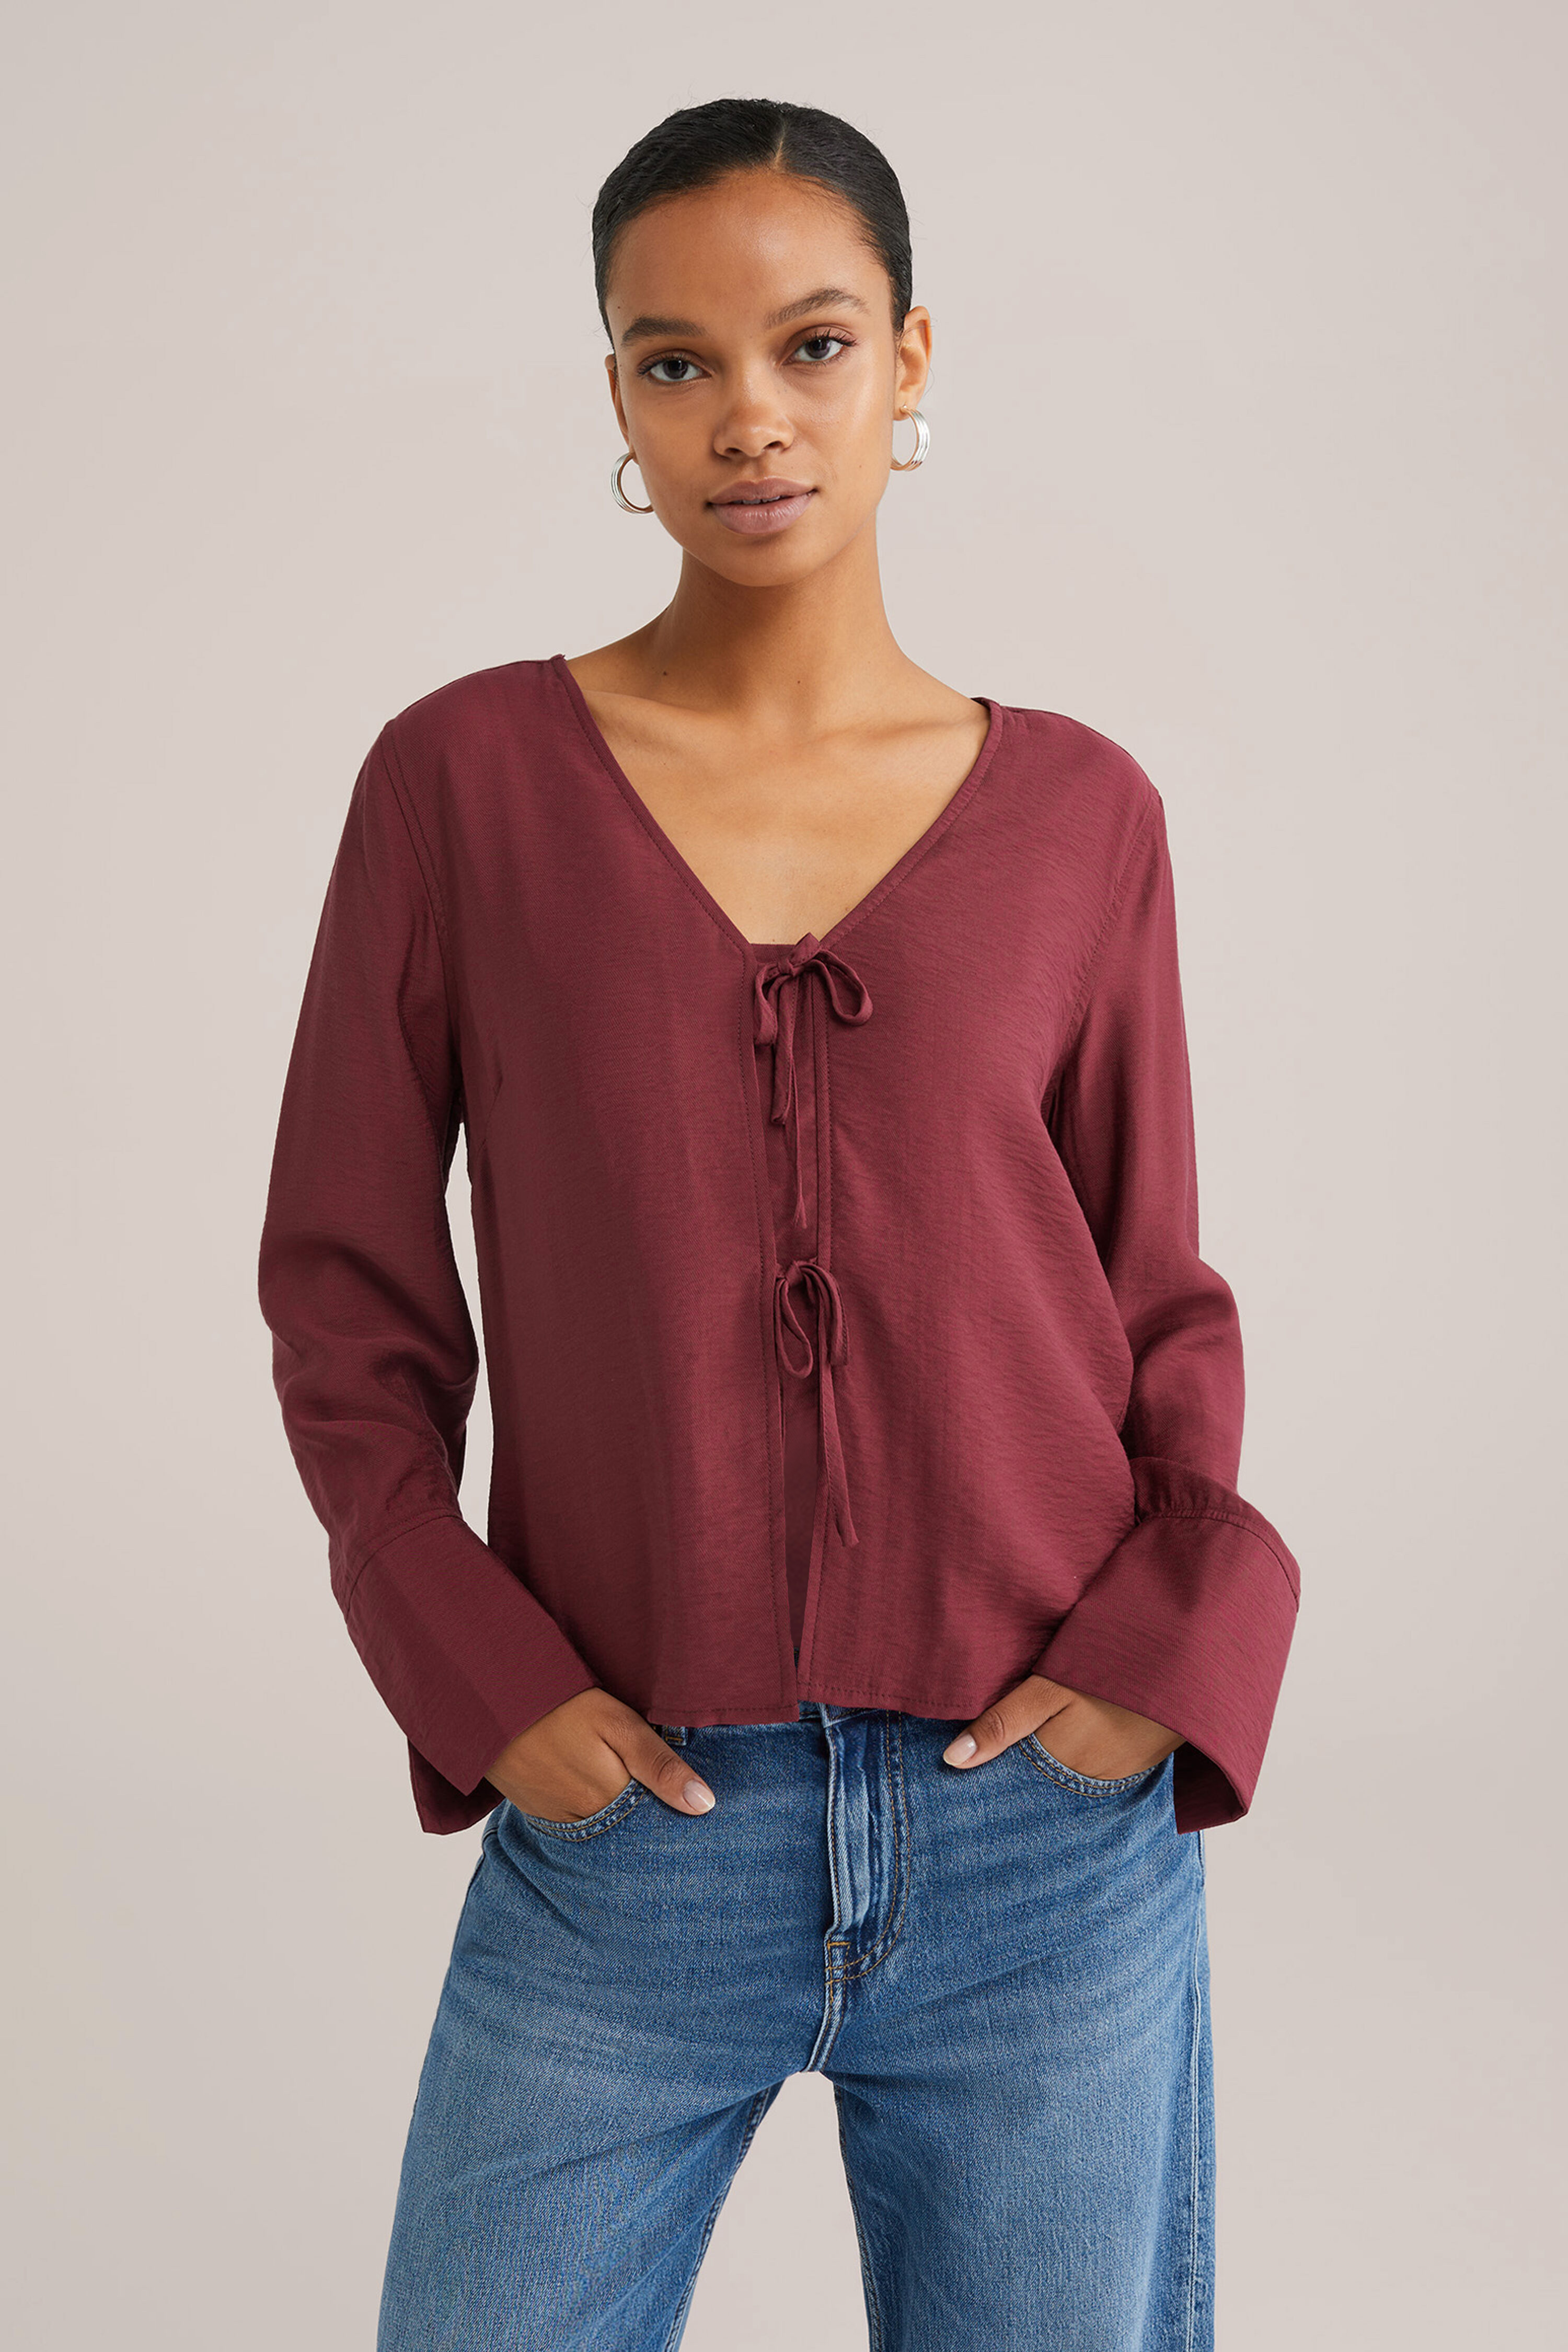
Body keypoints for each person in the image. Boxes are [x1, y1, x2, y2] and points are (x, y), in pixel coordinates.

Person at [258, 96, 1299, 2352]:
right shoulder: (460, 787)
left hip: (1044, 1833)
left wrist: (1159, 1669)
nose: (749, 415)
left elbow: (1157, 1296)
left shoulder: (1083, 813)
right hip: (631, 1822)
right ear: (618, 395)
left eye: (813, 344)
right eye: (677, 361)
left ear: (909, 359)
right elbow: (346, 1293)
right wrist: (477, 1676)